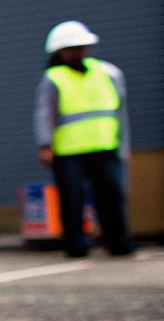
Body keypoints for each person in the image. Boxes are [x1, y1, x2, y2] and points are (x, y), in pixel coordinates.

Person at [34, 20, 135, 259]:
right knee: (72, 200)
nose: (76, 52)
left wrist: (123, 144)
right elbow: (44, 113)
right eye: (70, 48)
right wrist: (45, 145)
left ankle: (119, 243)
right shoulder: (54, 77)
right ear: (59, 52)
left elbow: (120, 111)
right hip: (69, 150)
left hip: (105, 144)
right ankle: (76, 246)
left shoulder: (108, 72)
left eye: (80, 47)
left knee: (111, 197)